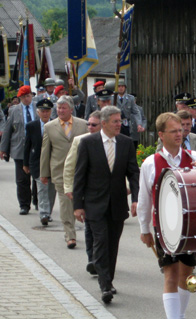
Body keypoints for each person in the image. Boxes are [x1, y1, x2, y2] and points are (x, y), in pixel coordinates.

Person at [137, 112, 196, 319]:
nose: (179, 134)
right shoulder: (150, 163)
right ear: (161, 134)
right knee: (170, 274)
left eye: (180, 130)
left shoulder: (195, 158)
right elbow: (144, 199)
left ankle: (179, 315)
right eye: (173, 131)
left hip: (189, 226)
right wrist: (144, 229)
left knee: (187, 274)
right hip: (164, 227)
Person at [74, 106, 139, 303]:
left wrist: (136, 199)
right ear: (104, 123)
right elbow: (80, 175)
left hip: (117, 204)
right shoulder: (88, 143)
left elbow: (133, 173)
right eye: (115, 121)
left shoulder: (126, 143)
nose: (120, 124)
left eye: (120, 121)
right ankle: (104, 285)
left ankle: (108, 279)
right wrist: (78, 205)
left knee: (112, 244)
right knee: (100, 243)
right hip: (94, 203)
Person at [40, 95, 88, 249]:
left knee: (80, 202)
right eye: (58, 108)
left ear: (71, 109)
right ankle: (70, 235)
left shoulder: (83, 125)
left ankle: (87, 231)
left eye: (63, 108)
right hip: (59, 171)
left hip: (81, 171)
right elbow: (45, 151)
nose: (60, 110)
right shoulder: (50, 127)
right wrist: (44, 173)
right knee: (66, 204)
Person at [63, 111, 102, 275]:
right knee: (90, 227)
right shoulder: (80, 141)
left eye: (94, 125)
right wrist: (69, 188)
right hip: (87, 191)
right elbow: (69, 166)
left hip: (107, 192)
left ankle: (103, 259)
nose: (90, 127)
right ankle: (92, 259)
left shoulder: (114, 141)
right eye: (88, 124)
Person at [0, 85, 40, 214]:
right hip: (20, 149)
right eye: (24, 97)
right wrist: (3, 148)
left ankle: (38, 201)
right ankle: (24, 205)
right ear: (20, 98)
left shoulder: (38, 108)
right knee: (22, 180)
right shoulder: (14, 110)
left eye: (29, 96)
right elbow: (7, 130)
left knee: (38, 178)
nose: (27, 99)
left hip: (36, 149)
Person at [23, 99, 56, 225]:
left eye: (47, 111)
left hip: (52, 162)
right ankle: (43, 213)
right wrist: (25, 163)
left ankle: (48, 212)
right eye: (43, 111)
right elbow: (27, 145)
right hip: (37, 162)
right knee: (42, 188)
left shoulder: (56, 124)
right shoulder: (32, 126)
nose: (45, 113)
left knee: (51, 190)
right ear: (38, 112)